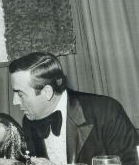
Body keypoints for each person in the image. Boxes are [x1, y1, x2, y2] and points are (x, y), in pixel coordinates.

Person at [8, 52, 139, 165]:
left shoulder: (106, 111)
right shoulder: (29, 120)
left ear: (47, 92)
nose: (15, 101)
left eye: (20, 94)